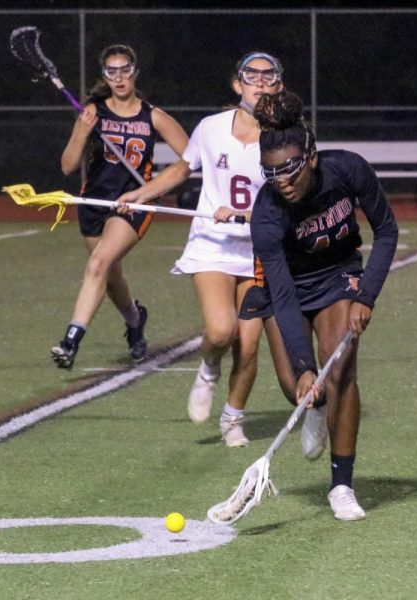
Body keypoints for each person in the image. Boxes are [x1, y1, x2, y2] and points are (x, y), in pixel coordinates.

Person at [117, 52, 284, 447]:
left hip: (259, 249)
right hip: (212, 243)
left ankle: (232, 418)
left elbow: (292, 195)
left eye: (269, 77)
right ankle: (209, 368)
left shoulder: (284, 136)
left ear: (278, 86)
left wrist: (247, 213)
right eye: (252, 76)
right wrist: (141, 193)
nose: (260, 83)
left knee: (248, 345)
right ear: (237, 84)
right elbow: (181, 168)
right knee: (221, 330)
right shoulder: (211, 128)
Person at [247, 89, 398, 520]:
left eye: (290, 169)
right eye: (271, 172)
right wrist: (303, 365)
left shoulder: (348, 170)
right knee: (293, 383)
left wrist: (365, 296)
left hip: (337, 276)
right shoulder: (268, 215)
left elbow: (386, 231)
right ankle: (314, 406)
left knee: (343, 368)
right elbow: (283, 294)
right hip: (288, 288)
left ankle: (341, 486)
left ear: (310, 157)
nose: (282, 181)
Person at [52, 44, 188, 369]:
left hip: (133, 204)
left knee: (98, 263)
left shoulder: (153, 115)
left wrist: (152, 190)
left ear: (134, 71)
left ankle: (70, 341)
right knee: (109, 274)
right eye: (112, 71)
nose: (119, 77)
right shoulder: (93, 113)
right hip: (94, 202)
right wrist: (82, 130)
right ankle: (134, 320)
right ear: (105, 76)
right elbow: (67, 166)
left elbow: (190, 159)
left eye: (124, 69)